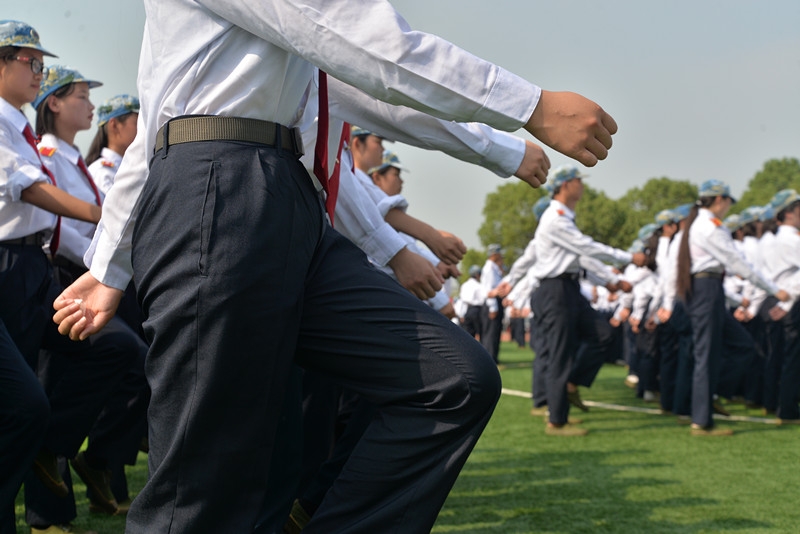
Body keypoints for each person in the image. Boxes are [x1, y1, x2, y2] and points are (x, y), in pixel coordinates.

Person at [52, 2, 618, 531]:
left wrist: (501, 144)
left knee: (453, 382)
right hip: (218, 193)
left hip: (284, 197)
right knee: (204, 482)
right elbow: (350, 36)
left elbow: (364, 83)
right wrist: (528, 105)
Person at [30, 65, 149, 523]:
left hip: (87, 276)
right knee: (51, 388)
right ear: (55, 103)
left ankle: (83, 475)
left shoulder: (71, 159)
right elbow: (67, 228)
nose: (90, 105)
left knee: (108, 370)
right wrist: (105, 268)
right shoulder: (47, 154)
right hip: (65, 277)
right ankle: (47, 514)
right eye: (81, 96)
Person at [0, 20, 103, 534]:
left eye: (43, 65)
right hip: (10, 265)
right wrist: (102, 214)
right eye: (31, 62)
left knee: (113, 352)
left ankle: (50, 447)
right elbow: (30, 191)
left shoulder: (15, 127)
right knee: (19, 402)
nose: (39, 72)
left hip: (32, 266)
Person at [528, 164, 644, 436]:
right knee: (559, 354)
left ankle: (571, 385)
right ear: (566, 185)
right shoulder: (555, 218)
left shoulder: (565, 217)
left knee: (603, 333)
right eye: (579, 180)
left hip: (568, 288)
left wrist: (609, 281)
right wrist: (627, 258)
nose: (582, 185)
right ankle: (557, 420)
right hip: (555, 290)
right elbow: (586, 247)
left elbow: (581, 259)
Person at [675, 180, 789, 436]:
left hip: (710, 289)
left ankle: (710, 395)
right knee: (706, 355)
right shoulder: (710, 226)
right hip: (706, 289)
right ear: (719, 200)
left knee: (741, 346)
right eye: (727, 202)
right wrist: (773, 289)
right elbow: (737, 262)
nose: (727, 208)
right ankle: (701, 421)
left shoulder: (701, 224)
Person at [764, 189, 800, 424]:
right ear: (789, 213)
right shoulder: (791, 239)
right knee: (793, 357)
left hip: (785, 300)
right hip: (792, 301)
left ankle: (781, 404)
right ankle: (787, 408)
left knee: (786, 356)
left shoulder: (777, 239)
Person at [86, 94, 140, 195]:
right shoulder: (102, 172)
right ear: (114, 125)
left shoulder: (129, 166)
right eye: (137, 123)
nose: (142, 129)